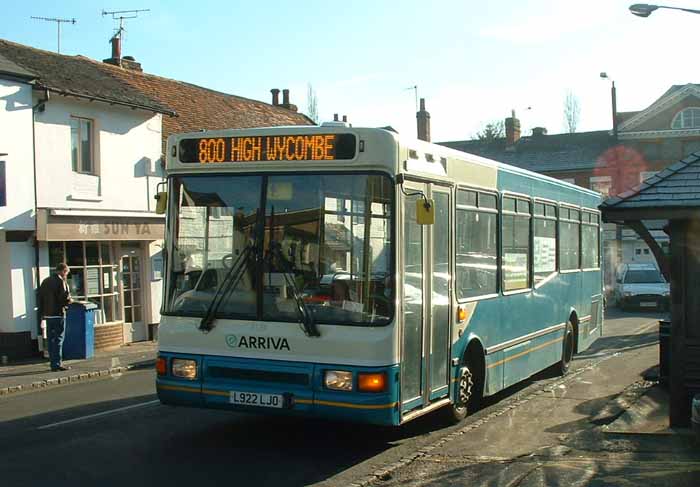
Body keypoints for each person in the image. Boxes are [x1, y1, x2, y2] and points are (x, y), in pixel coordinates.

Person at [38, 263, 73, 371]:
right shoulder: (61, 282)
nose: (66, 275)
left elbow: (40, 298)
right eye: (66, 273)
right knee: (58, 339)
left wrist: (42, 313)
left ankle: (53, 363)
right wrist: (69, 301)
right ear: (63, 271)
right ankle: (57, 364)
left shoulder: (45, 281)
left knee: (51, 340)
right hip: (58, 315)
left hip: (48, 315)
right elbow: (64, 298)